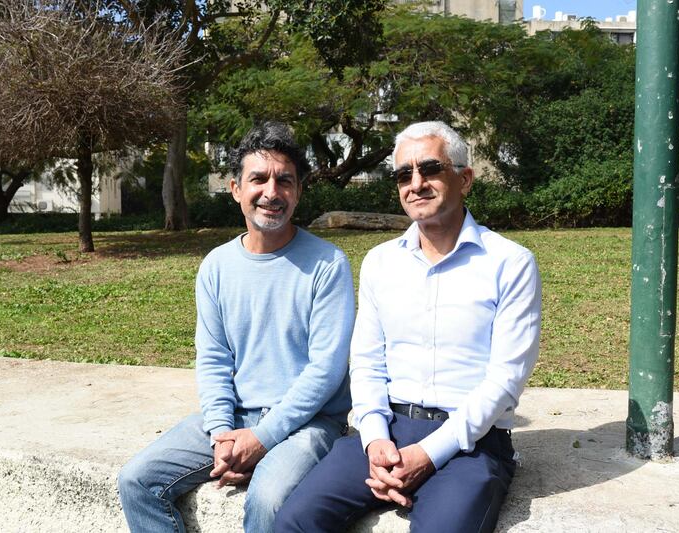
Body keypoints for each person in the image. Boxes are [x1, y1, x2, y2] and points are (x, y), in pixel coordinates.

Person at [275, 121, 542, 533]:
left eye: (430, 169)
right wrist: (376, 439)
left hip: (471, 441)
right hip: (388, 429)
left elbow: (506, 379)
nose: (415, 183)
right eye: (403, 174)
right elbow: (366, 362)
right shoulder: (381, 262)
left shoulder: (510, 262)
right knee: (293, 522)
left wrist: (429, 453)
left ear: (464, 178)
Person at [117, 121, 355, 533]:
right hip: (236, 414)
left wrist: (262, 437)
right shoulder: (216, 266)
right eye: (258, 179)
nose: (271, 192)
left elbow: (326, 370)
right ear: (235, 189)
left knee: (268, 500)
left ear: (298, 191)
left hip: (310, 422)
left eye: (285, 181)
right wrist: (223, 433)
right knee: (138, 480)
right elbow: (212, 359)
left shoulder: (328, 264)